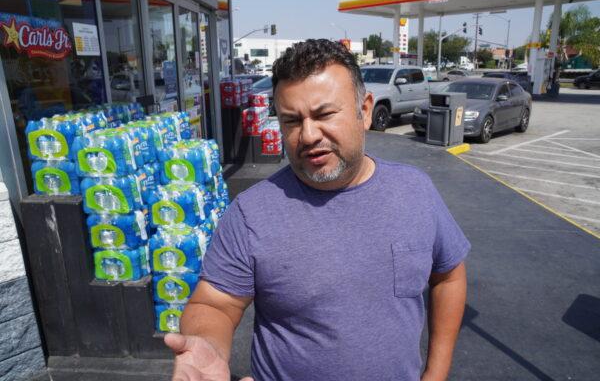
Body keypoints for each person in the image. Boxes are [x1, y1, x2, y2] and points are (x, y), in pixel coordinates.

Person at [165, 39, 470, 381]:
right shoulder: (252, 214)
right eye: (292, 121)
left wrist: (436, 373)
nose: (308, 135)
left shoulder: (415, 192)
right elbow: (214, 304)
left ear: (365, 111)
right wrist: (207, 344)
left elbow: (449, 276)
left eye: (325, 114)